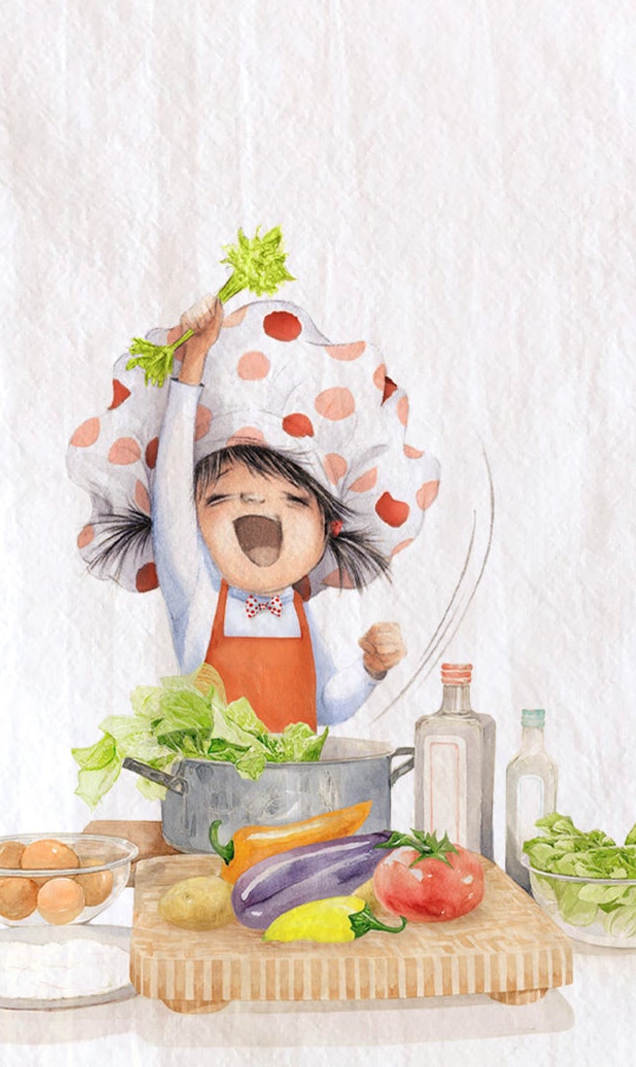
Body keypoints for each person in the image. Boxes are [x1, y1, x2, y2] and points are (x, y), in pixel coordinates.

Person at [67, 286, 439, 732]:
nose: (258, 503)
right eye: (222, 497)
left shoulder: (294, 609)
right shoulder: (198, 595)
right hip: (217, 797)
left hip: (298, 794)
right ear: (195, 517)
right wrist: (194, 361)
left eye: (297, 499)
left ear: (330, 529)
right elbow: (170, 491)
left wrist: (370, 669)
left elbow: (324, 707)